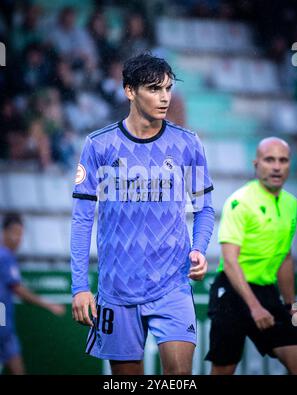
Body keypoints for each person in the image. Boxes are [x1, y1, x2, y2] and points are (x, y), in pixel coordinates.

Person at [70, 53, 215, 375]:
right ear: (129, 91)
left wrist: (199, 249)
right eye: (153, 89)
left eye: (167, 88)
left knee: (179, 378)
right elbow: (82, 219)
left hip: (172, 284)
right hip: (117, 289)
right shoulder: (99, 146)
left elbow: (204, 207)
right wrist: (79, 286)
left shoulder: (187, 145)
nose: (164, 97)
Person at [205, 137, 297, 375]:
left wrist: (292, 306)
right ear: (256, 163)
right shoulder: (240, 201)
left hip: (266, 292)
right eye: (270, 160)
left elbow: (285, 257)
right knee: (224, 369)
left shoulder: (291, 204)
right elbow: (229, 261)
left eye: (283, 160)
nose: (277, 166)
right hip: (232, 292)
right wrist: (255, 308)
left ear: (290, 164)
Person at [0, 214, 65, 375]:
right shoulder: (4, 256)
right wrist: (48, 304)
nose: (18, 238)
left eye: (21, 234)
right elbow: (18, 289)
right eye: (15, 232)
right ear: (4, 232)